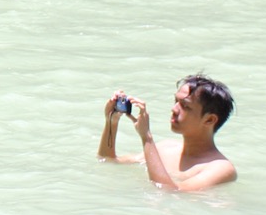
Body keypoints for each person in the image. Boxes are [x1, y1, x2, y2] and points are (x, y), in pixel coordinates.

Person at [99, 75, 236, 191]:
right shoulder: (165, 148)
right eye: (176, 101)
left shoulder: (221, 168)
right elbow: (108, 161)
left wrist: (146, 137)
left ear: (209, 119)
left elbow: (170, 191)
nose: (174, 109)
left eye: (185, 106)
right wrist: (111, 122)